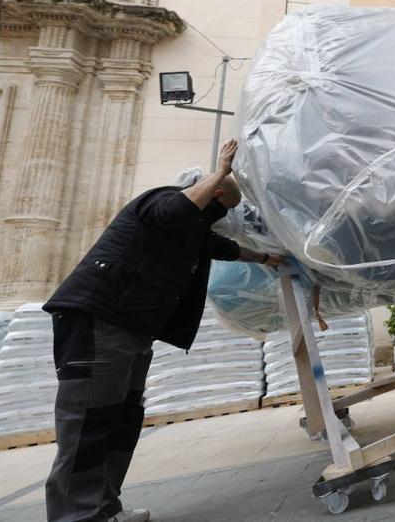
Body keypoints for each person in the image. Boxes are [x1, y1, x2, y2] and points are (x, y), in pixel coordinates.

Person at [43, 140, 282, 522]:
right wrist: (221, 170)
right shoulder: (163, 202)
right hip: (99, 321)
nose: (224, 219)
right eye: (224, 210)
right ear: (214, 195)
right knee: (90, 422)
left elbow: (225, 248)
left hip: (133, 330)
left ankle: (104, 507)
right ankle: (77, 516)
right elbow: (179, 208)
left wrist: (267, 257)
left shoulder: (192, 230)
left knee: (121, 421)